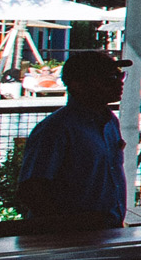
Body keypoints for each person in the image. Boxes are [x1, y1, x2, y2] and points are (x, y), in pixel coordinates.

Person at [16, 49, 129, 229]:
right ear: (78, 85)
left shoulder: (110, 122)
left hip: (108, 230)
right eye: (109, 78)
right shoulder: (56, 130)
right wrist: (67, 227)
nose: (119, 83)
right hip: (72, 236)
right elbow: (31, 189)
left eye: (120, 76)